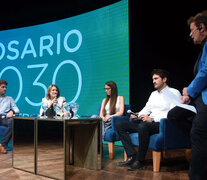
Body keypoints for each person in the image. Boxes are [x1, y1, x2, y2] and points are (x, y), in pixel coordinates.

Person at [168, 10, 207, 180]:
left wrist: (189, 92)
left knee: (198, 133)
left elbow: (205, 72)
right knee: (174, 115)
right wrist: (189, 91)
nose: (190, 34)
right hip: (198, 97)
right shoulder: (203, 48)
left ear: (202, 28)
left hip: (204, 98)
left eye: (192, 30)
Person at [116, 69, 181, 170]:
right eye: (153, 79)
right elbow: (147, 108)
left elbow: (173, 113)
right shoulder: (153, 94)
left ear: (164, 79)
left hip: (163, 124)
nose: (153, 81)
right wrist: (137, 115)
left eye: (156, 78)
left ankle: (140, 160)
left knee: (143, 126)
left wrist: (152, 118)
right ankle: (132, 155)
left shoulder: (174, 92)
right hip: (149, 123)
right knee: (120, 125)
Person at [0, 80, 20, 154]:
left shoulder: (9, 99)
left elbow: (17, 110)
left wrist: (12, 111)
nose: (5, 89)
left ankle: (2, 145)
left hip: (4, 117)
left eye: (5, 87)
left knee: (13, 121)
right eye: (3, 87)